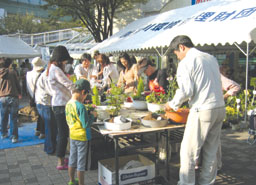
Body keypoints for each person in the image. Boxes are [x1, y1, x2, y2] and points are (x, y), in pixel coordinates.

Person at [165, 35, 225, 185]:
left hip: (202, 109)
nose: (177, 57)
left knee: (188, 153)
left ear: (181, 47)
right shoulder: (210, 58)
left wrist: (172, 104)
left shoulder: (187, 62)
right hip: (219, 107)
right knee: (211, 151)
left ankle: (186, 183)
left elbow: (186, 91)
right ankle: (207, 182)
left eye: (176, 53)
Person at [47, 45, 75, 170]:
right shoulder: (55, 70)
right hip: (61, 105)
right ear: (59, 58)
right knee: (63, 134)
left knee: (63, 133)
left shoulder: (52, 68)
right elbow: (68, 84)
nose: (65, 62)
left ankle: (62, 158)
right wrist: (79, 88)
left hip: (60, 104)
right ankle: (60, 162)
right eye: (64, 59)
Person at [66, 79, 97, 185]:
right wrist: (93, 116)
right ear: (83, 92)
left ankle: (71, 180)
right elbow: (86, 124)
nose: (85, 98)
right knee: (81, 163)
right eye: (86, 95)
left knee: (72, 159)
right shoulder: (81, 106)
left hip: (72, 135)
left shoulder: (69, 104)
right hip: (82, 138)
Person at [35, 62, 57, 155]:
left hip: (43, 103)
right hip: (45, 104)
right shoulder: (46, 76)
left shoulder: (46, 75)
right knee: (50, 128)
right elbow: (52, 92)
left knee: (50, 128)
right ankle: (50, 149)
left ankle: (49, 147)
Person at [0, 58, 21, 143]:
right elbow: (17, 84)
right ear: (9, 64)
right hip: (13, 96)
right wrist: (20, 92)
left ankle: (3, 133)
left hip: (2, 97)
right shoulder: (12, 72)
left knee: (3, 117)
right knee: (13, 118)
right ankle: (14, 137)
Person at [26, 57, 45, 139]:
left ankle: (38, 130)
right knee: (44, 116)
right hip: (42, 98)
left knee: (40, 115)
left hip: (33, 98)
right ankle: (43, 132)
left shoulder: (28, 74)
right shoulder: (42, 75)